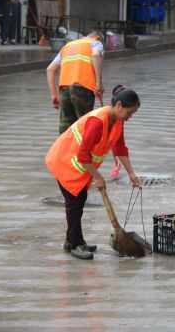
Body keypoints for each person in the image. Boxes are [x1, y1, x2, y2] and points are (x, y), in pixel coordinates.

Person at [45, 87, 142, 260]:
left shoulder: (117, 122)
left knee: (78, 201)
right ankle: (76, 244)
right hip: (64, 161)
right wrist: (97, 176)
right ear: (119, 105)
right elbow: (82, 155)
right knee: (74, 204)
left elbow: (120, 148)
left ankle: (71, 240)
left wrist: (131, 173)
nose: (130, 117)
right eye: (130, 112)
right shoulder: (98, 121)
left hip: (79, 167)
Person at [46, 31, 105, 135]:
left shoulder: (67, 46)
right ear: (98, 38)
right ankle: (83, 150)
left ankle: (65, 150)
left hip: (64, 88)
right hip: (83, 87)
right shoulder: (95, 43)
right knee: (84, 124)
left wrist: (54, 95)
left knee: (66, 126)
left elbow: (50, 69)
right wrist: (99, 83)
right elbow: (96, 55)